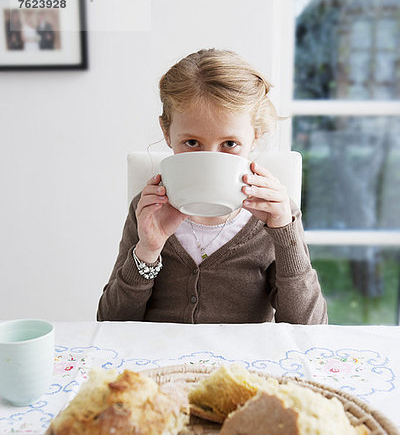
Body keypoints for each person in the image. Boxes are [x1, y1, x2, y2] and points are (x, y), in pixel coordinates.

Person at [97, 48, 328, 324]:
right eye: (192, 143)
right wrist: (147, 250)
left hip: (241, 366)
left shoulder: (276, 216)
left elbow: (310, 329)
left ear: (254, 137)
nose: (210, 159)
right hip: (160, 365)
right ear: (167, 133)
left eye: (229, 144)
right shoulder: (148, 210)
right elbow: (110, 323)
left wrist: (283, 233)